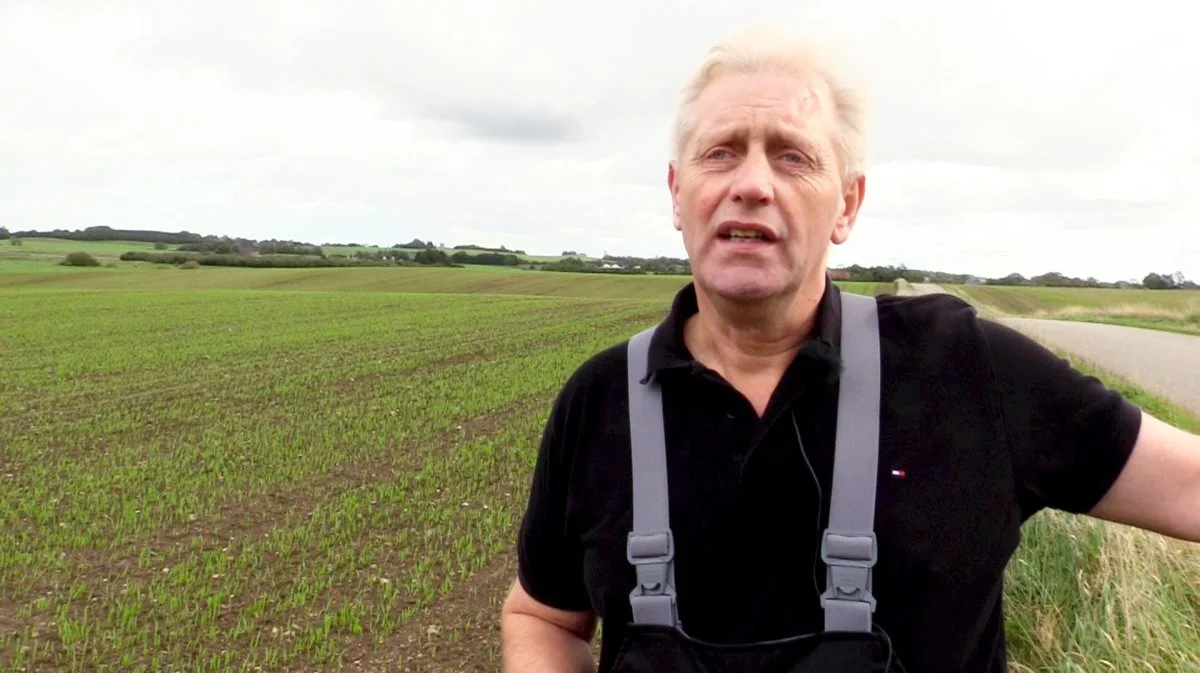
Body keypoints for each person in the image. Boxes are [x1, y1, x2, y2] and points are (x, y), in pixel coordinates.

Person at [498, 26, 1200, 673]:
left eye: (792, 155)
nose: (750, 184)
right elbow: (540, 616)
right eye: (720, 153)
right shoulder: (599, 401)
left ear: (847, 205)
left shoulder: (966, 369)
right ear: (679, 194)